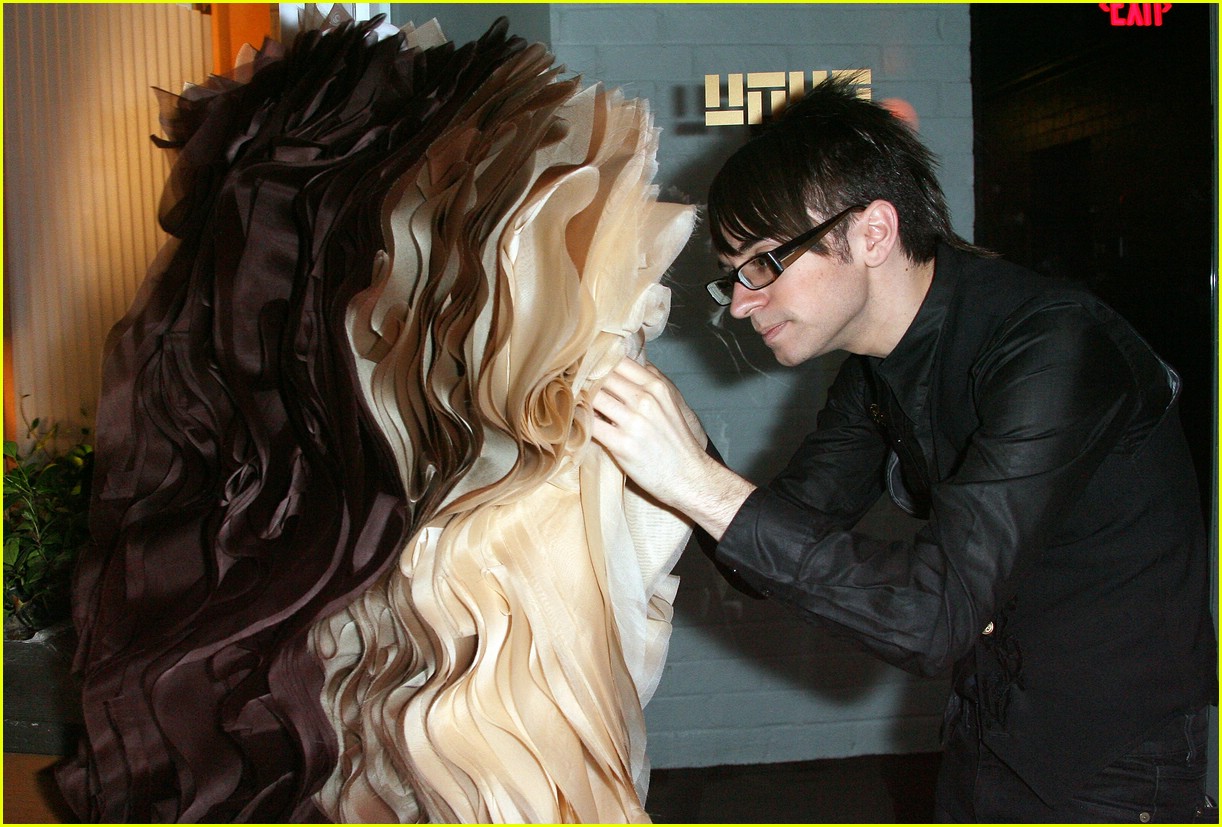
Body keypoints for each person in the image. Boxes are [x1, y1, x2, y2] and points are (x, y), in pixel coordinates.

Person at [590, 75, 1217, 822]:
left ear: (873, 233)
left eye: (762, 263)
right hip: (988, 734)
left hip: (1115, 764)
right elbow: (763, 546)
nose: (744, 302)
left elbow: (932, 617)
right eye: (734, 278)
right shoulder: (874, 370)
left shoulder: (1052, 344)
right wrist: (670, 449)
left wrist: (694, 478)